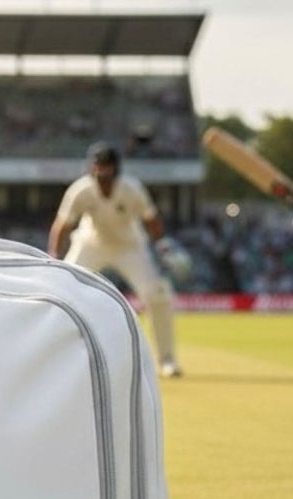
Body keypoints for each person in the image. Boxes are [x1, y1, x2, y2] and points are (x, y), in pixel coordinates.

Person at [48, 142, 191, 378]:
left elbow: (150, 219)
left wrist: (164, 247)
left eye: (107, 169)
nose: (102, 174)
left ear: (116, 169)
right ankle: (57, 357)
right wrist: (54, 255)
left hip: (129, 246)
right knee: (65, 289)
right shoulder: (81, 190)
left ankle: (167, 360)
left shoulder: (131, 189)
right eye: (99, 168)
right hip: (91, 243)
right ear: (92, 168)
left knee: (157, 295)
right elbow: (63, 224)